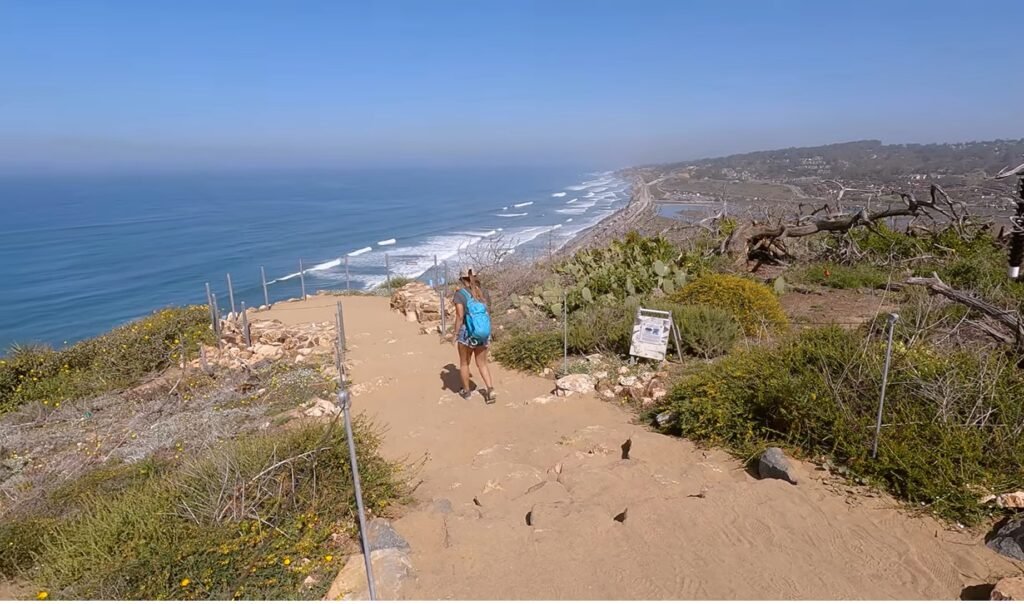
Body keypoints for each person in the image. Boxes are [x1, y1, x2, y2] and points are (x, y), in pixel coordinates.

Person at [453, 267, 496, 403]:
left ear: (461, 279)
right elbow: (488, 311)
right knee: (482, 363)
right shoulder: (483, 292)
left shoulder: (460, 294)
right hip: (483, 332)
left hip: (467, 333)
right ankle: (490, 389)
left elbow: (460, 316)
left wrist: (455, 334)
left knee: (464, 363)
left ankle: (466, 391)